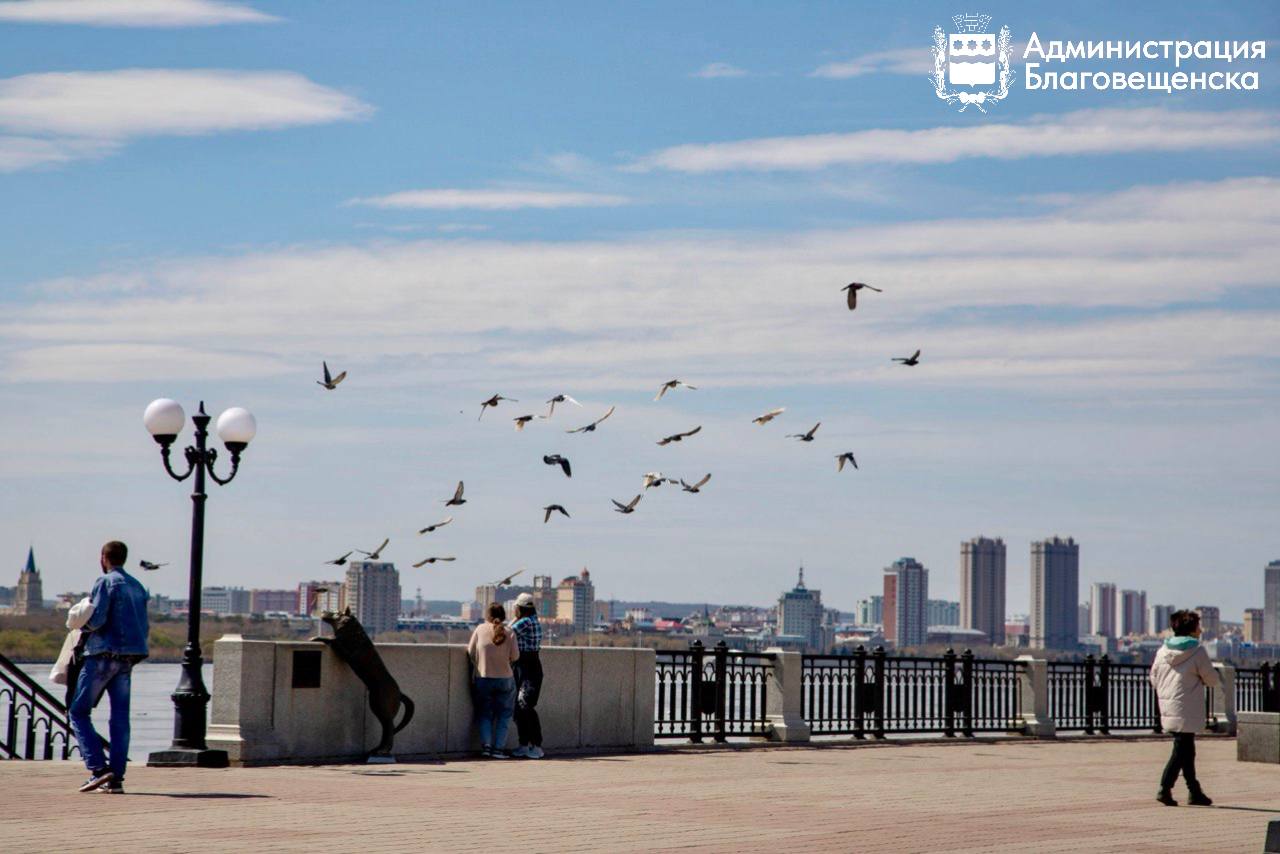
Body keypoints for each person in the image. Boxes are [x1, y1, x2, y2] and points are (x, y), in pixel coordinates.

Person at [69, 541, 149, 794]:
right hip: (128, 658)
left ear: (104, 557)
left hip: (102, 654)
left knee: (78, 712)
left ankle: (98, 769)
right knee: (120, 717)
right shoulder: (138, 586)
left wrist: (79, 624)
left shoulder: (105, 582)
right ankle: (116, 778)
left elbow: (99, 618)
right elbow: (143, 626)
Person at [1150, 609, 1220, 807]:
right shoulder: (1197, 651)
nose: (1200, 629)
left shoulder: (1162, 651)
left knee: (1187, 750)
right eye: (1198, 626)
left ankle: (1194, 791)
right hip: (1187, 707)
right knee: (1182, 750)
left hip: (1167, 705)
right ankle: (1165, 787)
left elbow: (1153, 678)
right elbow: (1211, 679)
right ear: (1192, 630)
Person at [467, 602, 518, 758]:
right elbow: (515, 656)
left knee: (485, 714)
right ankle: (499, 749)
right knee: (504, 715)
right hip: (505, 679)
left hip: (484, 677)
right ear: (503, 615)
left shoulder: (480, 629)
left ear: (487, 615)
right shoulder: (510, 632)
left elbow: (470, 651)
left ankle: (487, 747)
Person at [509, 593, 544, 759]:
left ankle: (536, 745)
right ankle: (525, 744)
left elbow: (506, 633)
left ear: (520, 608)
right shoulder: (532, 620)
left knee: (524, 704)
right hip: (527, 666)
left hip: (527, 668)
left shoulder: (526, 622)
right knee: (519, 706)